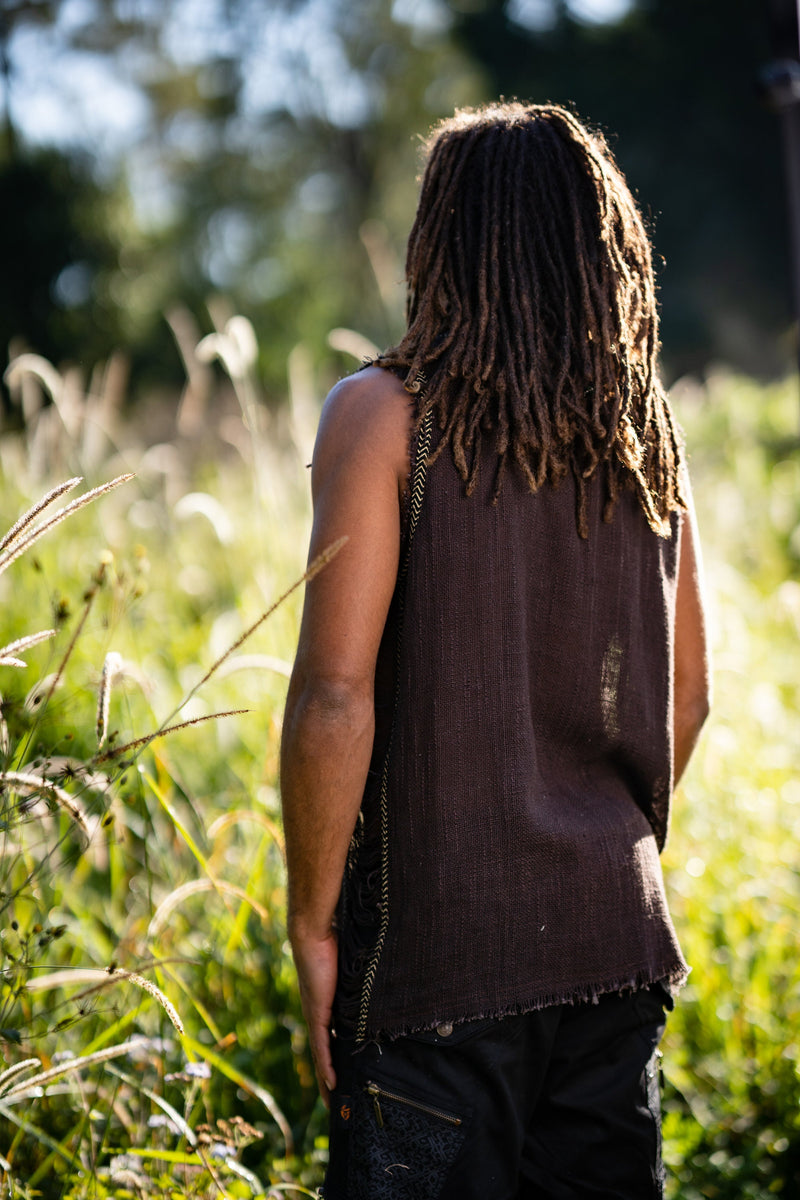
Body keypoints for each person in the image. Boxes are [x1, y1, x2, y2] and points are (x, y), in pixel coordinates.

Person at [280, 102, 710, 1200]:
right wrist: (587, 853)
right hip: (614, 950)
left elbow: (335, 694)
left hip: (437, 965)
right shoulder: (641, 433)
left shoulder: (382, 417)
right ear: (598, 249)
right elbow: (687, 702)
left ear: (441, 242)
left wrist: (311, 924)